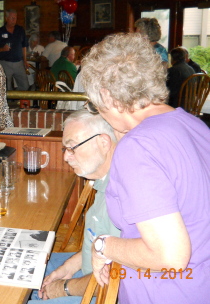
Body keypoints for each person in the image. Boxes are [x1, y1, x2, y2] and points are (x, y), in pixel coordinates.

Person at [80, 33, 210, 304]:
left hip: (169, 293)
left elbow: (170, 256)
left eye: (94, 104)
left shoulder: (138, 147)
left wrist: (103, 245)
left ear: (107, 96)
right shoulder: (194, 124)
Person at [29, 110, 120, 304]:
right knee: (24, 265)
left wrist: (63, 288)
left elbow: (115, 276)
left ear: (104, 143)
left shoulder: (119, 197)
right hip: (86, 271)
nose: (66, 157)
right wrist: (69, 266)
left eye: (72, 147)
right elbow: (100, 244)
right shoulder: (106, 180)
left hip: (98, 292)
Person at [0, 9, 29, 91]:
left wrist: (25, 60)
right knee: (6, 88)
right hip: (5, 63)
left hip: (19, 63)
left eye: (15, 18)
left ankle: (18, 100)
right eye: (12, 18)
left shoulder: (20, 30)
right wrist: (2, 49)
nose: (14, 20)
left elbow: (24, 46)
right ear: (6, 18)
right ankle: (9, 103)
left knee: (25, 86)